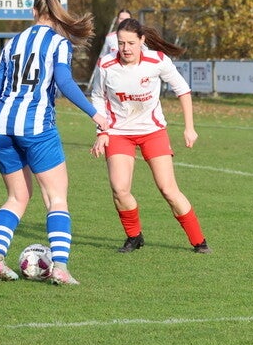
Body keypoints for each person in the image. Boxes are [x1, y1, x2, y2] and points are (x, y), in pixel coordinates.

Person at [0, 0, 108, 284]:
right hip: (37, 127)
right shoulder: (58, 43)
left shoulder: (12, 43)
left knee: (17, 197)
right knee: (56, 198)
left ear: (33, 11)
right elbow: (64, 81)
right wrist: (96, 115)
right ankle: (60, 267)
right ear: (56, 12)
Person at [90, 18, 211, 254]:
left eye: (131, 43)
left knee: (168, 189)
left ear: (142, 41)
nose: (125, 48)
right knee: (120, 189)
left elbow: (183, 90)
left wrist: (189, 127)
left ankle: (199, 241)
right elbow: (97, 96)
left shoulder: (157, 61)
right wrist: (102, 131)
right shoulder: (106, 64)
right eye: (121, 43)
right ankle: (134, 237)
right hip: (119, 133)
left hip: (152, 132)